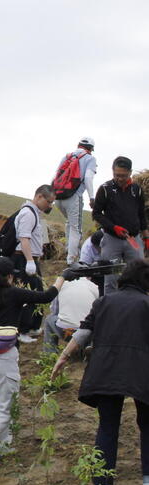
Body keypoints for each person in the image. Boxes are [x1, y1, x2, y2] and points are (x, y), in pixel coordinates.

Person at [51, 260, 149, 485]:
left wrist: (63, 357)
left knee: (108, 424)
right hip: (141, 370)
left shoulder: (104, 301)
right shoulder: (146, 304)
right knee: (147, 422)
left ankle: (102, 482)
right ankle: (147, 478)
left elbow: (84, 331)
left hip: (107, 369)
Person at [0, 258, 65, 468]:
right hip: (3, 357)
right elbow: (47, 296)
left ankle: (3, 447)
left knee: (0, 404)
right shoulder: (14, 293)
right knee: (8, 406)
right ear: (10, 276)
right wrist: (63, 277)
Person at [92, 156, 148, 294]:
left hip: (133, 239)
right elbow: (97, 214)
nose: (120, 178)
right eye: (116, 175)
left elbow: (141, 214)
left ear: (130, 172)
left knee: (139, 275)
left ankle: (137, 305)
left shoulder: (137, 190)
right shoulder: (105, 189)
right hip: (112, 239)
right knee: (110, 278)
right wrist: (113, 227)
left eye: (123, 175)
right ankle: (110, 307)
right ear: (112, 171)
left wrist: (146, 237)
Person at [12, 185, 57, 342]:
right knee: (28, 294)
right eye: (49, 201)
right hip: (24, 259)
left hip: (32, 259)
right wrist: (30, 261)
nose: (50, 206)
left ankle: (33, 327)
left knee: (37, 292)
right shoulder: (28, 213)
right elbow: (24, 238)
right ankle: (22, 331)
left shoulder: (35, 214)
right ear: (39, 197)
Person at [54, 138, 98, 264]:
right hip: (73, 196)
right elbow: (88, 178)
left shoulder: (68, 156)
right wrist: (91, 197)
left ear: (79, 145)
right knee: (76, 228)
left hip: (58, 196)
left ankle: (68, 251)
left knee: (69, 223)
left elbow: (56, 175)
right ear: (90, 149)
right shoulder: (90, 158)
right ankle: (72, 260)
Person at [42, 274, 100, 354]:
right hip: (86, 332)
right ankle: (88, 345)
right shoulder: (94, 287)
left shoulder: (61, 285)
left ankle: (50, 353)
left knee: (49, 319)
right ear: (88, 277)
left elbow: (54, 311)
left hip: (66, 331)